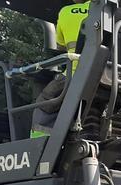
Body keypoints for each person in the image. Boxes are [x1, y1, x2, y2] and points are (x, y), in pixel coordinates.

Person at [31, 1, 90, 138]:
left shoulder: (67, 11)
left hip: (76, 74)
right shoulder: (114, 14)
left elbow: (61, 46)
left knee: (44, 105)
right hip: (115, 78)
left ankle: (40, 150)